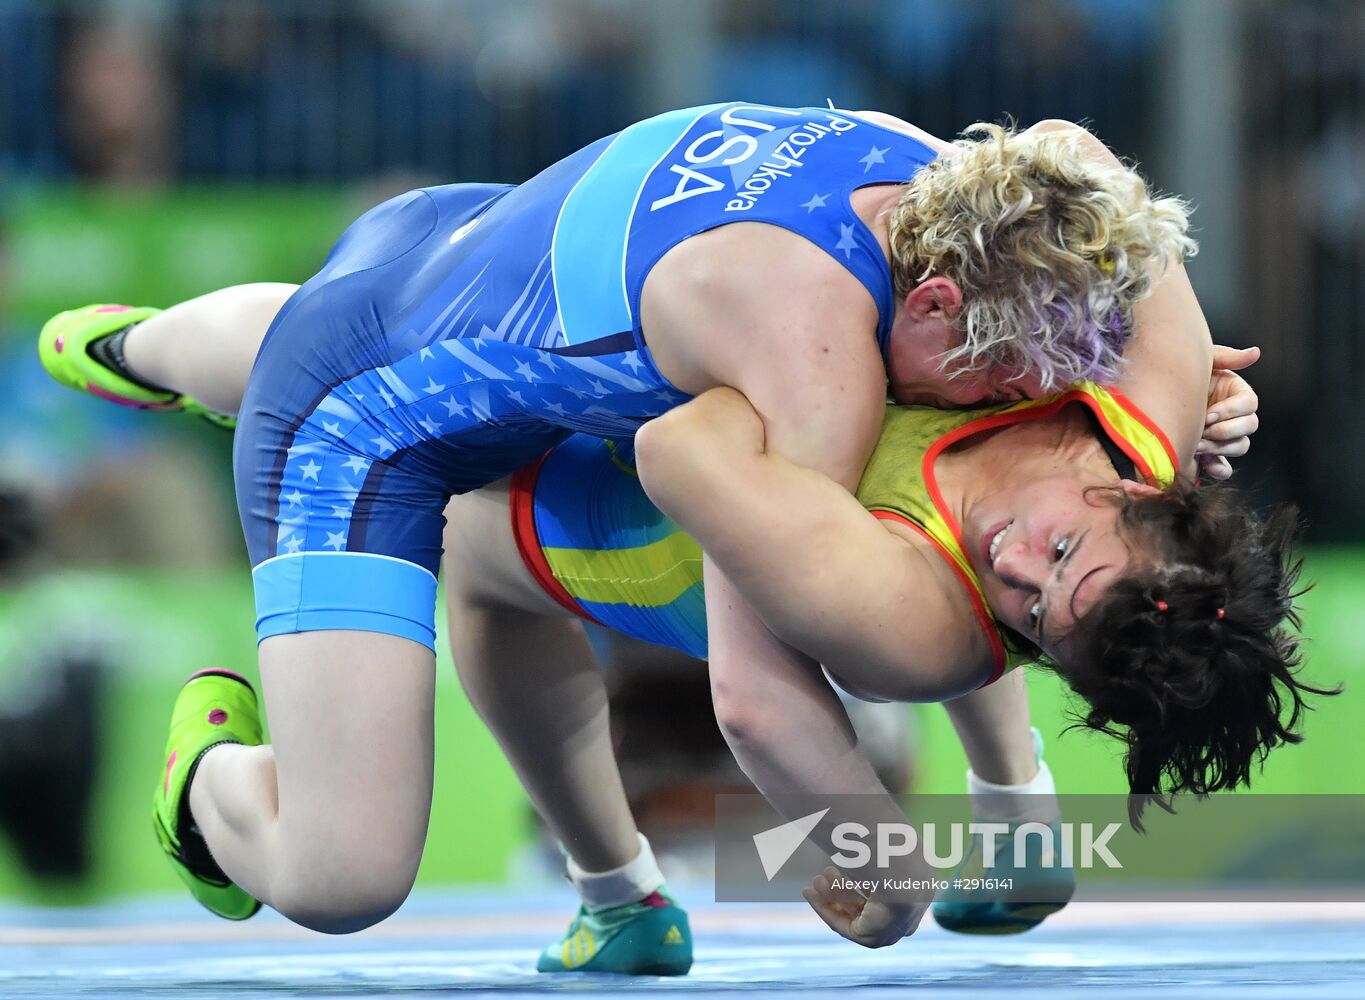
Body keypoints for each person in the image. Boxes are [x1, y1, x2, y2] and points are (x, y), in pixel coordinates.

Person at [36, 103, 1248, 959]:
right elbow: (752, 684)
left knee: (343, 319)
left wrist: (1181, 416)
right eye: (1001, 384)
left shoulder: (959, 183)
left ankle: (138, 346)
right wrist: (874, 882)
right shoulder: (818, 370)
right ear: (932, 304)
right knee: (344, 878)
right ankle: (205, 780)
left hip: (462, 238)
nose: (1015, 409)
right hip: (373, 434)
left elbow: (1080, 160)